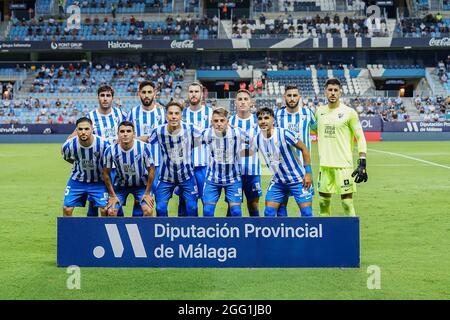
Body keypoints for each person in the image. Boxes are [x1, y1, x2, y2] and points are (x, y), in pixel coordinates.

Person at [314, 78, 368, 216]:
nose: (333, 93)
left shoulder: (349, 112)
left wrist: (362, 161)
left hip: (344, 166)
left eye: (335, 90)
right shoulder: (319, 112)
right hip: (325, 166)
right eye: (330, 90)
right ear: (325, 92)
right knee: (323, 204)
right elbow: (314, 129)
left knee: (347, 204)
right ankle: (325, 236)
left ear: (340, 92)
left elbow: (360, 137)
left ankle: (350, 236)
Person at [248, 107, 313, 217]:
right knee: (269, 213)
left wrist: (308, 172)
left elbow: (304, 148)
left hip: (298, 179)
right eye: (260, 119)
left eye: (266, 118)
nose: (263, 121)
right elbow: (244, 148)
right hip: (278, 182)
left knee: (307, 213)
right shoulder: (256, 139)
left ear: (273, 120)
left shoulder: (284, 134)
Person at [145, 101, 203, 217]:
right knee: (160, 208)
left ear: (181, 115)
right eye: (170, 113)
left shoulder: (191, 129)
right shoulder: (158, 131)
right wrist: (132, 138)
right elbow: (147, 140)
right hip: (166, 178)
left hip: (187, 177)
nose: (173, 116)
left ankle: (193, 232)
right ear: (166, 116)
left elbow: (209, 134)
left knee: (193, 207)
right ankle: (164, 233)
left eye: (177, 113)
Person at [275, 84, 317, 216]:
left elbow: (317, 128)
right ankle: (284, 235)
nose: (292, 98)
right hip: (283, 169)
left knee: (306, 211)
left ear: (299, 97)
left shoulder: (308, 113)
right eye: (289, 95)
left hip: (304, 169)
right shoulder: (278, 114)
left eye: (294, 95)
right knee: (281, 209)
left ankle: (305, 235)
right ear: (284, 97)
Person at [103, 121, 155, 217]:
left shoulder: (143, 147)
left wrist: (147, 193)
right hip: (121, 186)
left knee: (148, 210)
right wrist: (112, 195)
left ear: (134, 134)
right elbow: (106, 173)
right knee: (111, 212)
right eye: (122, 131)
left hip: (141, 185)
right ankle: (118, 230)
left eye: (128, 131)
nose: (125, 134)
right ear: (118, 134)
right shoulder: (110, 150)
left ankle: (144, 231)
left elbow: (151, 169)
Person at [202, 108, 248, 217]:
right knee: (207, 211)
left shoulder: (237, 132)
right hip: (212, 178)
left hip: (233, 178)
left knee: (236, 212)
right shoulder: (206, 133)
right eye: (216, 121)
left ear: (227, 122)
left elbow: (255, 140)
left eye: (222, 121)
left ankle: (235, 233)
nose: (219, 124)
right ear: (212, 122)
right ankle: (208, 233)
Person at [62, 117, 110, 217]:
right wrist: (78, 163)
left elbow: (109, 164)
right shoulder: (69, 146)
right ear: (76, 130)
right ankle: (70, 232)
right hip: (77, 180)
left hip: (99, 181)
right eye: (80, 129)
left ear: (92, 129)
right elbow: (66, 157)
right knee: (67, 208)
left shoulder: (104, 144)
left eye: (86, 129)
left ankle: (102, 232)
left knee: (105, 210)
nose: (83, 132)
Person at [178, 82, 212, 216]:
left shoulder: (210, 113)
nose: (193, 94)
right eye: (191, 91)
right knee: (185, 205)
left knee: (207, 204)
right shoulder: (181, 114)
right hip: (185, 167)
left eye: (196, 91)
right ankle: (185, 234)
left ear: (202, 94)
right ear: (188, 94)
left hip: (204, 165)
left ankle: (206, 232)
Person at [127, 80, 165, 194]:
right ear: (139, 93)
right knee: (140, 203)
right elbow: (126, 135)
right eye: (144, 92)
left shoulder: (162, 112)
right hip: (138, 165)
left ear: (155, 93)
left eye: (149, 92)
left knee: (160, 205)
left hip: (158, 164)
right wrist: (146, 138)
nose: (146, 95)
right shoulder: (133, 113)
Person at [228, 89, 261, 216]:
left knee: (253, 207)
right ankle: (232, 234)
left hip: (253, 172)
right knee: (233, 210)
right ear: (235, 102)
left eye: (245, 99)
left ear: (251, 102)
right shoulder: (229, 121)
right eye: (240, 99)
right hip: (233, 173)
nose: (242, 102)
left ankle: (256, 234)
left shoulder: (258, 121)